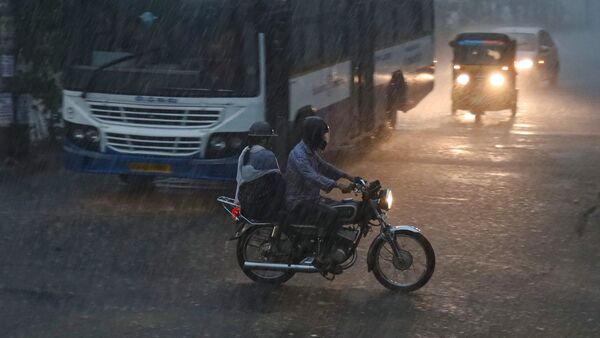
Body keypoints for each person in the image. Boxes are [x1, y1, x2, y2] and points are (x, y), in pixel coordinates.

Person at [285, 116, 356, 273]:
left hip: (311, 198)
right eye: (323, 135)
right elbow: (312, 176)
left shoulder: (309, 151)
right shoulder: (299, 155)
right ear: (314, 136)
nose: (325, 139)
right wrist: (337, 185)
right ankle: (322, 258)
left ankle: (331, 247)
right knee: (332, 215)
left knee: (341, 208)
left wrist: (349, 176)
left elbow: (325, 167)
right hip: (298, 202)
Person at [235, 121, 285, 222]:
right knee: (281, 183)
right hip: (259, 206)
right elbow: (279, 180)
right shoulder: (267, 155)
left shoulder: (245, 152)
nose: (271, 141)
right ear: (263, 139)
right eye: (269, 138)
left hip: (244, 200)